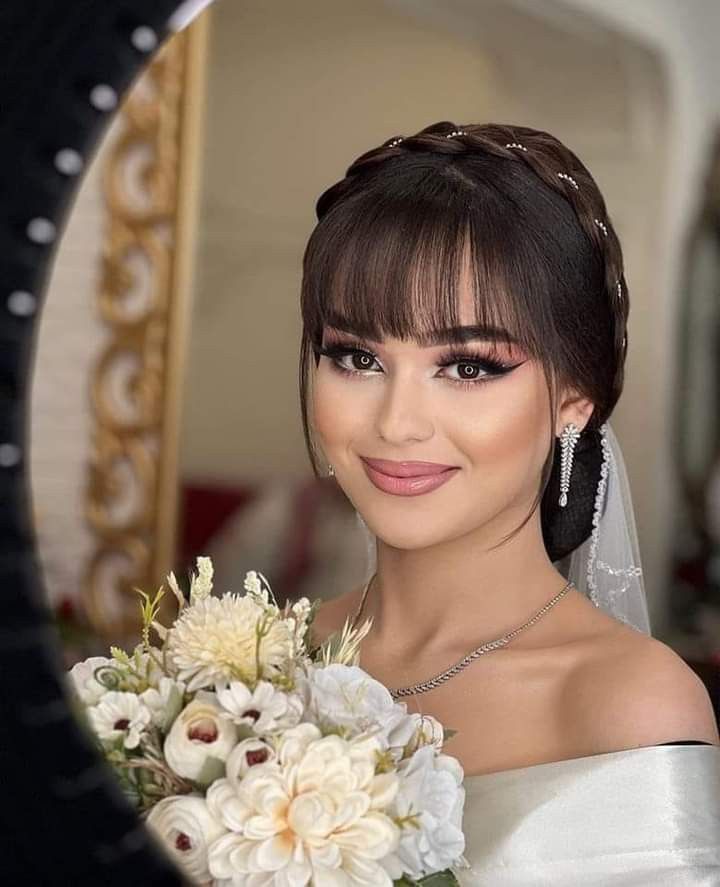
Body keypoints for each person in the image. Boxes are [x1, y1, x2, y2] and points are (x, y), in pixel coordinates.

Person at [299, 121, 720, 883]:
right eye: (357, 356)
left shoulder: (627, 705)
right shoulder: (258, 661)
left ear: (574, 400)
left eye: (467, 366)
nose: (397, 423)